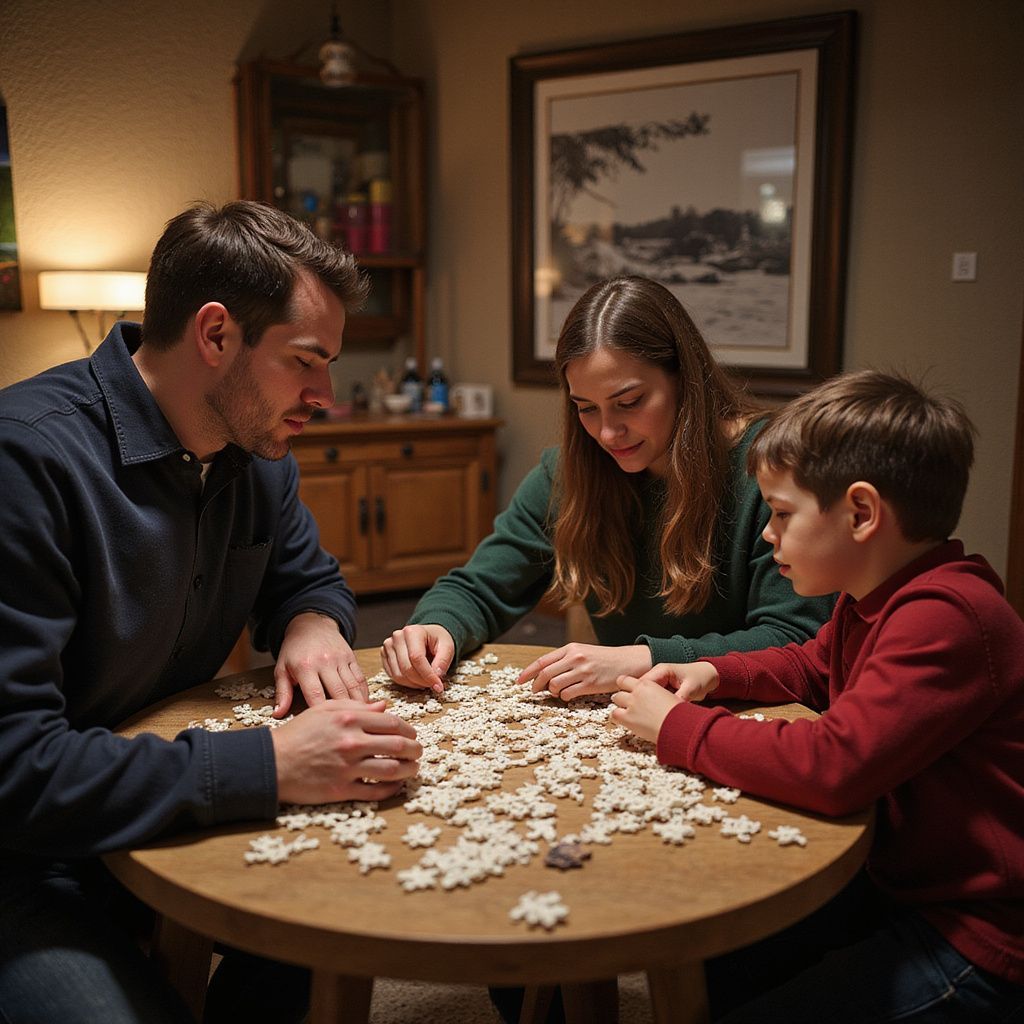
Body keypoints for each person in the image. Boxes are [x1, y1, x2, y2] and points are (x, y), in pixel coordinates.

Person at [0, 200, 422, 1024]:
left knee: (343, 922)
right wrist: (266, 767)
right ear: (217, 334)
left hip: (162, 807)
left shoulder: (256, 450)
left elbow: (310, 580)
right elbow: (13, 767)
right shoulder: (26, 461)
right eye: (306, 361)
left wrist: (312, 623)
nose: (326, 394)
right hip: (29, 854)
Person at [612, 369, 1024, 1022]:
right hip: (894, 880)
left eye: (780, 513)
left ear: (861, 513)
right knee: (721, 956)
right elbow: (810, 665)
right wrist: (715, 674)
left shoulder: (947, 614)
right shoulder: (874, 600)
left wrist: (677, 728)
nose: (768, 534)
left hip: (974, 934)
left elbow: (836, 766)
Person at [381, 275, 834, 698]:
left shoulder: (771, 468)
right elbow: (480, 587)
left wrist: (641, 660)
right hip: (632, 727)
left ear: (684, 378)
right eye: (586, 408)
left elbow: (796, 641)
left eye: (630, 402)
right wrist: (437, 627)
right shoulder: (570, 472)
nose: (607, 433)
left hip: (750, 716)